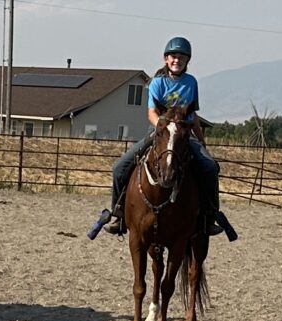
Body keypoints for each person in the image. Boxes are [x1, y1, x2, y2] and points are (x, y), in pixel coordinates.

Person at [92, 37, 234, 239]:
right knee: (119, 167)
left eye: (182, 57)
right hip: (161, 132)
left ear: (187, 61)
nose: (177, 60)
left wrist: (202, 142)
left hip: (184, 134)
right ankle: (119, 213)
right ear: (166, 59)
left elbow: (193, 117)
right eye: (174, 56)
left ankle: (209, 217)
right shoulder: (157, 82)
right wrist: (163, 128)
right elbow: (151, 112)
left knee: (210, 167)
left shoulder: (191, 82)